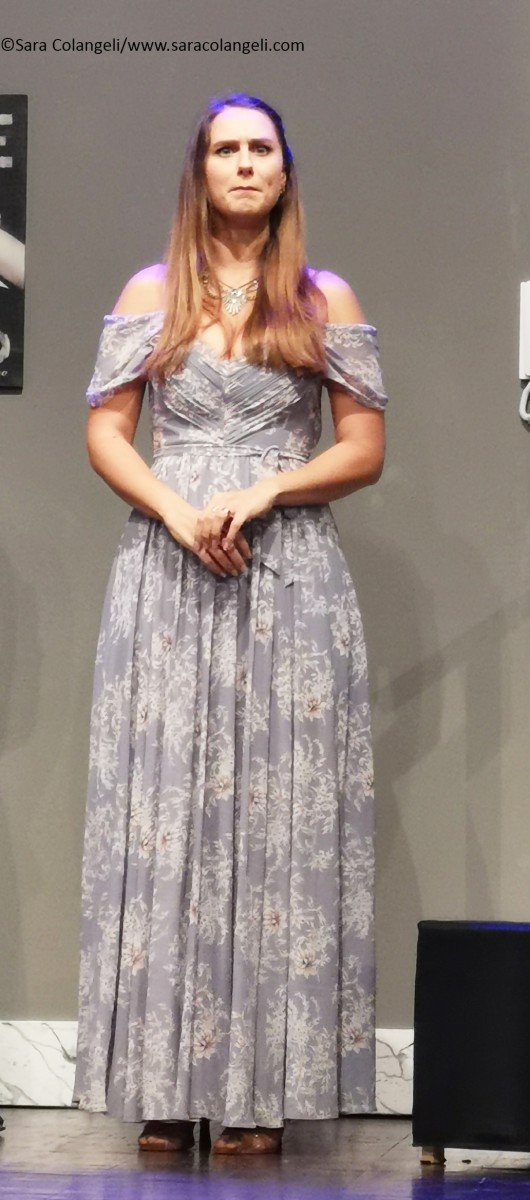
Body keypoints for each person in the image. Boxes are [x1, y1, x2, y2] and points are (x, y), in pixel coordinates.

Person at [73, 90, 388, 1157]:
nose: (244, 164)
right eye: (226, 149)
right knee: (167, 812)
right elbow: (107, 433)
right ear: (200, 171)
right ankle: (165, 1085)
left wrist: (267, 491)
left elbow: (363, 448)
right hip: (166, 575)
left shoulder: (323, 297)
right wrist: (175, 511)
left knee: (274, 814)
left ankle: (257, 1089)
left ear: (284, 170)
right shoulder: (151, 291)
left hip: (286, 574)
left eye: (261, 149)